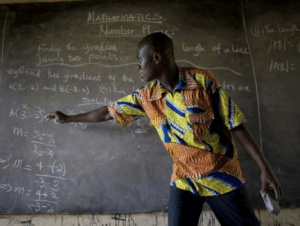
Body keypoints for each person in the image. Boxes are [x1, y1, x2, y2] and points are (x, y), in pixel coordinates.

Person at [46, 32, 281, 226]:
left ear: (157, 58)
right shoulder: (147, 96)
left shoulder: (203, 82)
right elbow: (108, 112)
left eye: (140, 59)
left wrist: (264, 168)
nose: (137, 66)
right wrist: (68, 118)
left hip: (220, 174)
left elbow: (235, 122)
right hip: (184, 179)